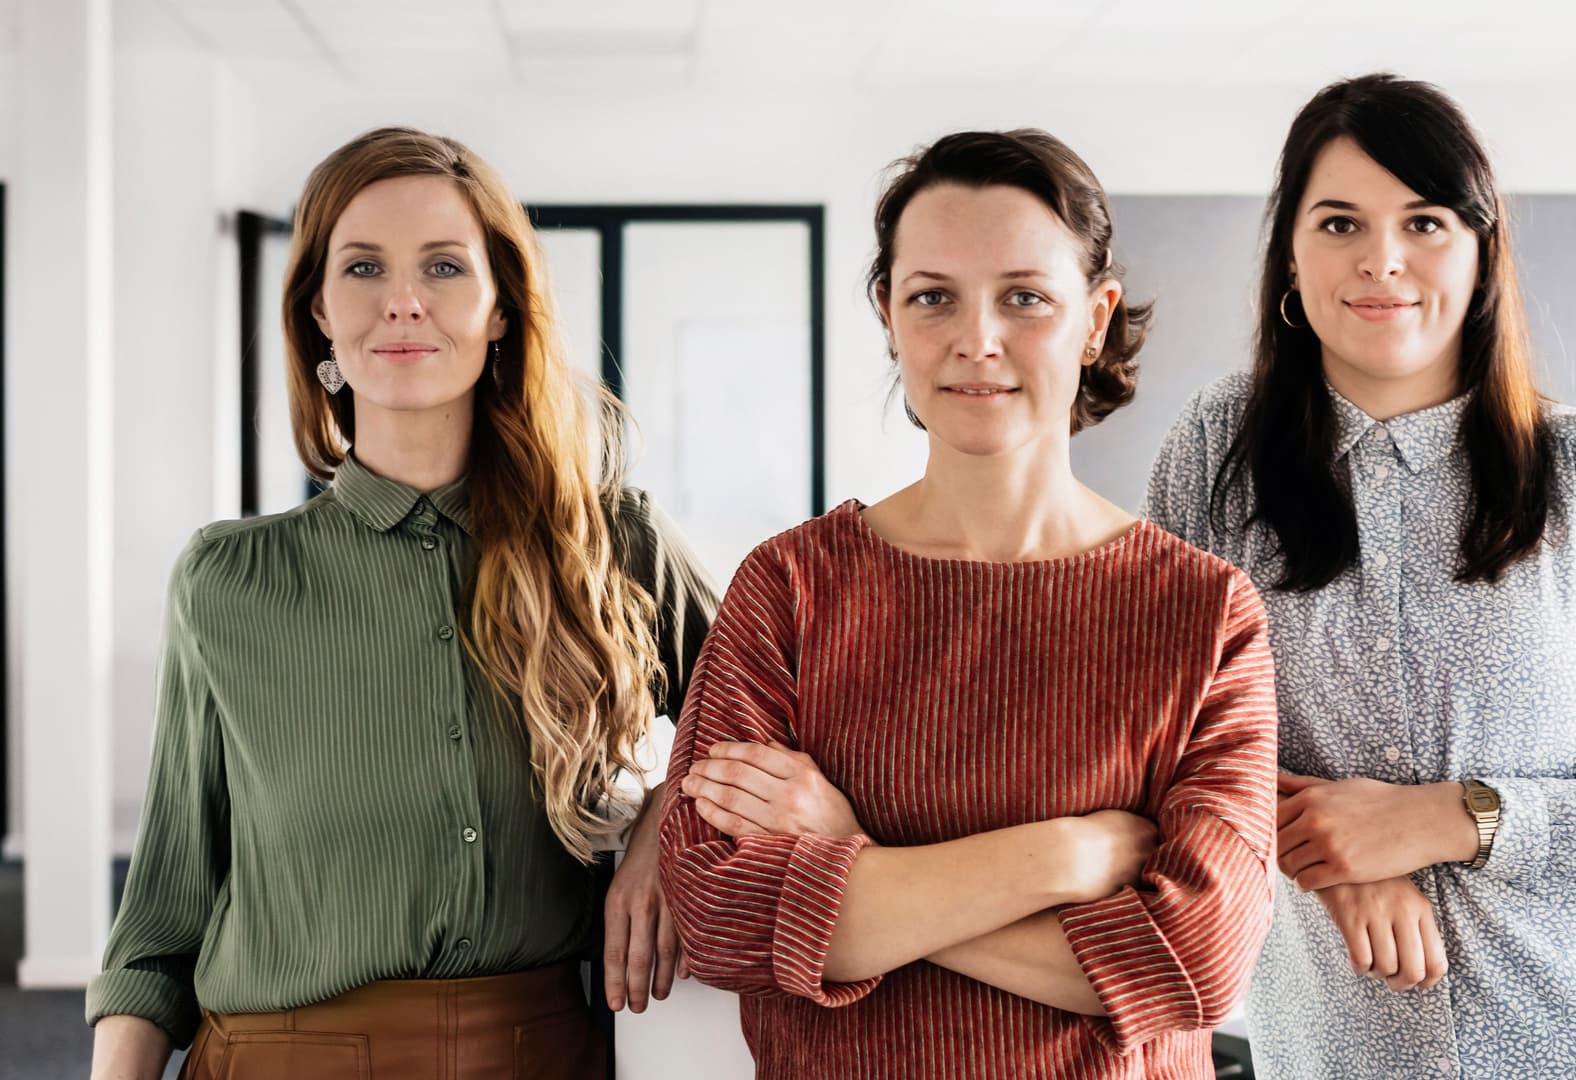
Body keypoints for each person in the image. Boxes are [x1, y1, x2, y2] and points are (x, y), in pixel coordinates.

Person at [1142, 74, 1576, 1078]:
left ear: (1482, 250)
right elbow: (1149, 742)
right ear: (1290, 250)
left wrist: (1456, 818)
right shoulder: (1213, 460)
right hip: (1352, 1055)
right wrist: (1323, 853)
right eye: (1339, 223)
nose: (1382, 260)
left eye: (1425, 220)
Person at [86, 127, 716, 1080]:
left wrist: (670, 821)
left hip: (544, 1054)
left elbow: (777, 705)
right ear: (319, 312)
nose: (403, 301)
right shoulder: (227, 583)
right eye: (365, 266)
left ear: (502, 308)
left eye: (445, 266)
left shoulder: (614, 543)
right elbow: (162, 917)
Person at [655, 129, 1280, 1079]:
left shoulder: (1204, 612)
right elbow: (720, 914)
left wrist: (845, 855)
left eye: (1024, 298)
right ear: (888, 315)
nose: (974, 340)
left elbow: (1198, 961)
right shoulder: (788, 588)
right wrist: (1063, 859)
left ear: (1097, 316)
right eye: (933, 296)